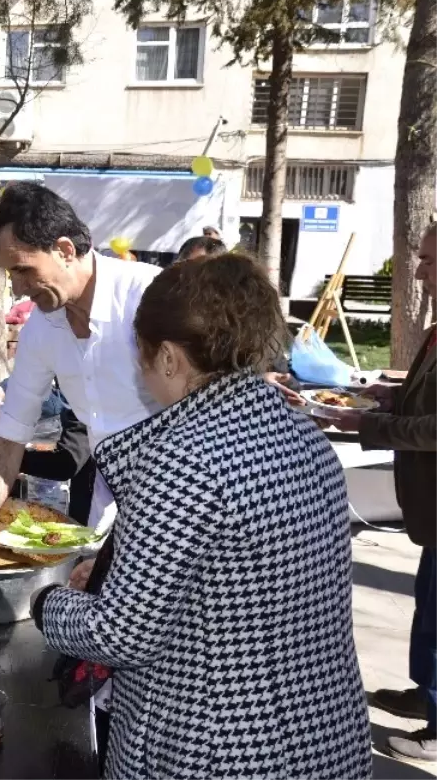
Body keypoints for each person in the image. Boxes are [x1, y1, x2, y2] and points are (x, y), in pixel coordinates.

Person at [32, 254, 372, 779]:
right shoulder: (307, 438)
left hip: (212, 749)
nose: (142, 371)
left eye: (141, 355)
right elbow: (241, 580)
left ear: (168, 357)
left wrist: (47, 602)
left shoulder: (180, 457)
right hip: (323, 739)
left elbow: (121, 635)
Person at [0, 182, 161, 548]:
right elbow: (11, 433)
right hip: (106, 494)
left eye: (24, 270)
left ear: (65, 250)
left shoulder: (149, 296)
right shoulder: (41, 327)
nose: (20, 289)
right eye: (12, 276)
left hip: (177, 497)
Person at [344, 225, 437, 761]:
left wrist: (369, 427)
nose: (418, 271)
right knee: (430, 610)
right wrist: (390, 395)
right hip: (427, 509)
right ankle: (426, 696)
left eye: (428, 261)